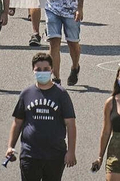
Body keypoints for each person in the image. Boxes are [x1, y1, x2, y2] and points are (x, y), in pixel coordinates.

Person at [6, 52, 78, 180]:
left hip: (55, 155)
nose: (42, 72)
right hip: (30, 154)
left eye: (46, 69)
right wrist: (10, 146)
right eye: (38, 69)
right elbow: (17, 122)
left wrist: (71, 152)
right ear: (33, 70)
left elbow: (70, 124)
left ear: (52, 70)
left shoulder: (61, 94)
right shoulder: (26, 94)